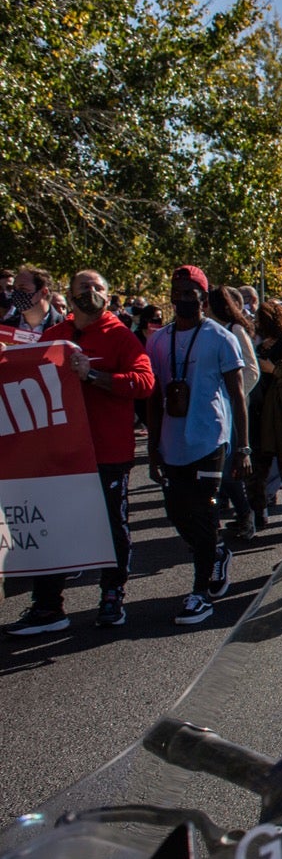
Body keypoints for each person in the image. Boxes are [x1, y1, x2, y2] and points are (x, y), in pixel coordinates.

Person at [3, 271, 155, 636]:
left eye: (98, 287)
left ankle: (112, 597)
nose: (92, 293)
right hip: (58, 455)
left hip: (107, 452)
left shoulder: (120, 335)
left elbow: (145, 384)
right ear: (69, 296)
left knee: (112, 527)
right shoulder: (53, 336)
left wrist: (94, 375)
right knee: (52, 528)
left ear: (108, 294)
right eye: (84, 288)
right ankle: (48, 606)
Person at [146, 265, 251, 626]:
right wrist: (152, 447)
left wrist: (243, 448)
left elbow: (238, 396)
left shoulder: (220, 337)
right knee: (177, 512)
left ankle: (200, 593)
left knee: (205, 513)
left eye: (191, 292)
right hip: (172, 443)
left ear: (203, 298)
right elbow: (153, 395)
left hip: (211, 439)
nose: (183, 298)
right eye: (178, 291)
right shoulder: (158, 339)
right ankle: (217, 554)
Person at [207, 286, 261, 540]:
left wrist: (230, 397)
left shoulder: (235, 331)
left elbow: (252, 371)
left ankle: (246, 516)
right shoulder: (205, 331)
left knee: (229, 469)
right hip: (209, 411)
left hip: (232, 411)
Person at [247, 300, 282, 532]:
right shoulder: (256, 345)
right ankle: (258, 512)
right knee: (258, 469)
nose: (259, 325)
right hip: (259, 413)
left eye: (263, 321)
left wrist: (274, 370)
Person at [3, 267, 65, 336]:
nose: (17, 293)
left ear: (44, 292)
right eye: (14, 289)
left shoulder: (66, 327)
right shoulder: (5, 328)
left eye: (23, 289)